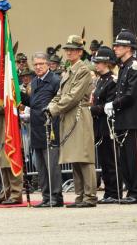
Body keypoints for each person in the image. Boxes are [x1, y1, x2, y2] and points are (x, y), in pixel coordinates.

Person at [47, 35, 97, 208]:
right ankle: (80, 195)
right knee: (75, 157)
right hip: (68, 114)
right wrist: (51, 105)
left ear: (80, 52)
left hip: (79, 114)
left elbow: (74, 96)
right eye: (67, 49)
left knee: (84, 156)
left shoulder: (82, 70)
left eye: (72, 49)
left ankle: (90, 196)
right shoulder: (69, 70)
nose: (69, 52)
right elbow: (61, 94)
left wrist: (53, 109)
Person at [106, 29, 137, 204]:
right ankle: (130, 190)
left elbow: (130, 94)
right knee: (125, 158)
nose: (115, 48)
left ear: (128, 48)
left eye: (120, 46)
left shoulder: (134, 66)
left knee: (134, 157)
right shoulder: (124, 67)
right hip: (123, 118)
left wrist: (114, 104)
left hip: (132, 118)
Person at [21, 52, 63, 207]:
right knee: (40, 166)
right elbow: (33, 103)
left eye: (41, 64)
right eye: (36, 64)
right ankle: (46, 196)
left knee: (51, 164)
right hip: (36, 128)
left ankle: (56, 196)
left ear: (48, 64)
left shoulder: (55, 81)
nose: (38, 67)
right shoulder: (35, 82)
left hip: (50, 128)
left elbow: (59, 103)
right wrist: (18, 94)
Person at [90, 46, 121, 204]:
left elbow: (109, 104)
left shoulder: (112, 81)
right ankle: (108, 190)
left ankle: (115, 191)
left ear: (108, 63)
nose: (97, 64)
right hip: (99, 124)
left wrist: (91, 110)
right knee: (103, 159)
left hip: (108, 124)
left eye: (100, 62)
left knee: (111, 159)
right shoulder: (100, 80)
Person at [0, 75, 23, 205]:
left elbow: (7, 104)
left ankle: (16, 192)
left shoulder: (6, 80)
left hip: (6, 126)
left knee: (10, 159)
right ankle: (6, 191)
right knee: (1, 160)